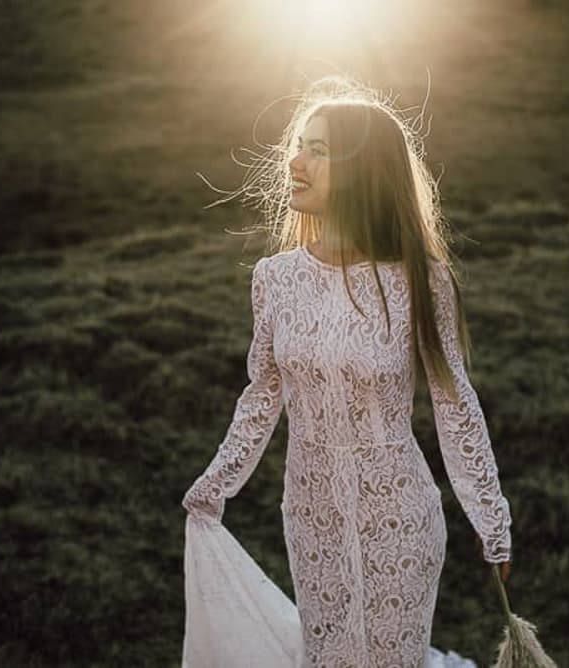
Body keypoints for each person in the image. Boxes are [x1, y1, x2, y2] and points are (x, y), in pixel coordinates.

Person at [181, 75, 513, 667]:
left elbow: (453, 401)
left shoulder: (420, 279)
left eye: (319, 150)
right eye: (299, 145)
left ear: (364, 171)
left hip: (401, 514)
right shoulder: (275, 279)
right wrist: (216, 484)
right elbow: (262, 395)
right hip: (311, 517)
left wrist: (492, 520)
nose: (295, 161)